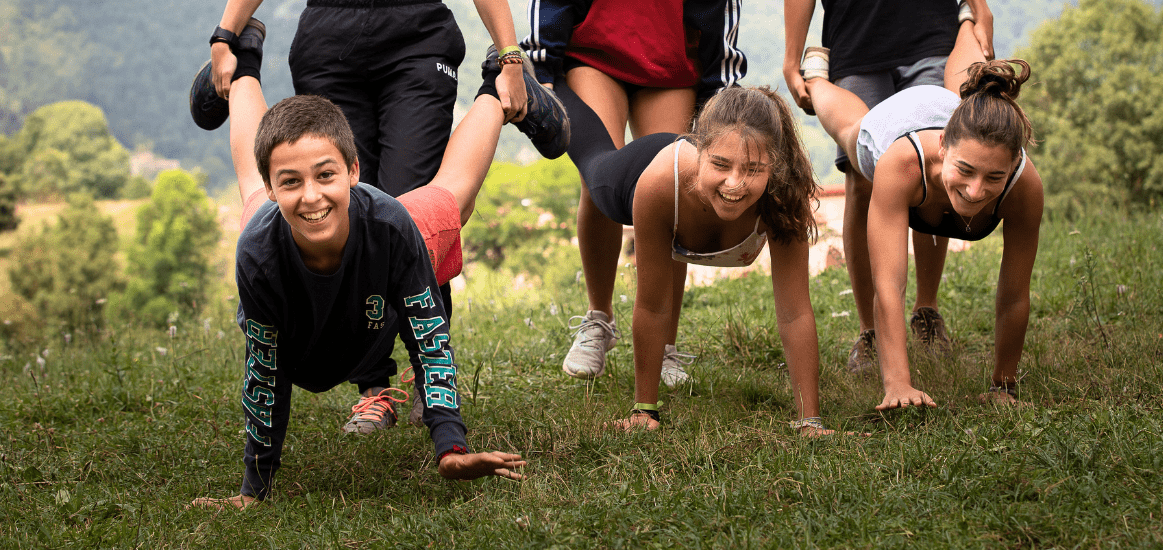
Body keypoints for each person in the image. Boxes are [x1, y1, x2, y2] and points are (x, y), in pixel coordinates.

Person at [189, 39, 568, 508]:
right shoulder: (258, 254)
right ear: (276, 190)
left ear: (352, 171)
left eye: (325, 175)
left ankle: (496, 87)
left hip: (385, 225)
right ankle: (243, 58)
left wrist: (451, 447)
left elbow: (428, 340)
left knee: (455, 195)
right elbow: (265, 372)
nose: (310, 196)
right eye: (289, 182)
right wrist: (254, 490)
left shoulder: (393, 228)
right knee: (249, 174)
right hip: (273, 232)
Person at [554, 82, 836, 434]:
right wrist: (645, 412)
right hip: (629, 178)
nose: (735, 183)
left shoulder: (783, 196)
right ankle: (550, 84)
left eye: (753, 169)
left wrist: (810, 422)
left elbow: (795, 312)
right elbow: (653, 306)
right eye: (721, 164)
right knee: (594, 160)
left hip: (684, 187)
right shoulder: (658, 186)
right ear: (698, 148)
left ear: (774, 166)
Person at [800, 24, 1044, 408]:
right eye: (965, 170)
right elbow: (889, 285)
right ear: (945, 146)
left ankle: (966, 19)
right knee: (848, 127)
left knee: (960, 82)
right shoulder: (900, 164)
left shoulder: (1024, 186)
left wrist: (1003, 386)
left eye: (993, 176)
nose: (976, 190)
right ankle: (815, 77)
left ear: (1014, 162)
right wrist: (898, 384)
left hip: (948, 104)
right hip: (892, 124)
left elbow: (1014, 294)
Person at [519, 0, 746, 386]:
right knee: (601, 177)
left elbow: (719, 8)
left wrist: (718, 93)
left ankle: (666, 346)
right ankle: (599, 319)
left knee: (675, 188)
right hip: (594, 52)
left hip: (671, 61)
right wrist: (542, 61)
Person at [783, 0, 995, 374]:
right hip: (855, 40)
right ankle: (871, 331)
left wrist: (979, 6)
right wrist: (790, 54)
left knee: (937, 168)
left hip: (932, 30)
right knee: (863, 181)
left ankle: (926, 311)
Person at [200, 0, 535, 194]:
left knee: (413, 206)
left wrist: (510, 57)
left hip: (418, 41)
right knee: (343, 199)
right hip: (328, 46)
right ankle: (358, 316)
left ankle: (418, 315)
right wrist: (224, 36)